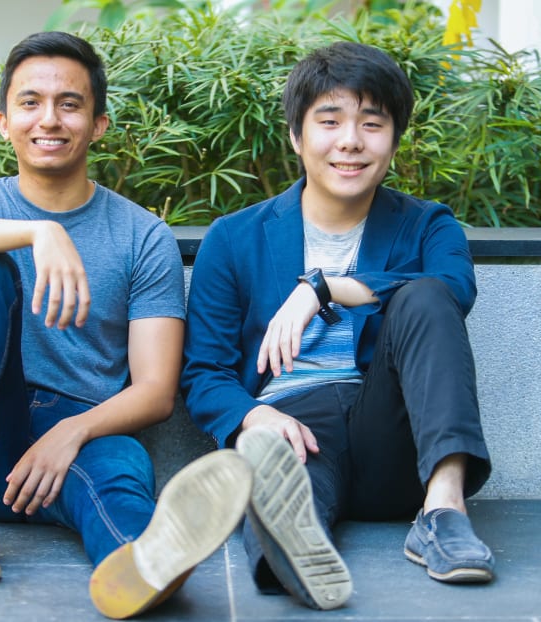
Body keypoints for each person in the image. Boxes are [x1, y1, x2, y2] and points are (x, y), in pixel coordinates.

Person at [0, 31, 252, 620]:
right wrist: (39, 231)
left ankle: (144, 562)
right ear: (4, 122)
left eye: (69, 104)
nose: (49, 119)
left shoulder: (142, 235)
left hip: (82, 438)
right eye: (30, 103)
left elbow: (154, 390)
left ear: (97, 124)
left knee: (121, 475)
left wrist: (69, 433)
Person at [181, 40, 495, 611]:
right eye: (329, 121)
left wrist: (323, 288)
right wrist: (255, 414)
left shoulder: (429, 226)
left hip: (390, 432)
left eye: (371, 124)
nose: (350, 141)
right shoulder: (234, 238)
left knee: (425, 294)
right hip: (294, 423)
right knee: (283, 477)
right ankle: (293, 549)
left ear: (394, 141)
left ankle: (444, 512)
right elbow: (204, 372)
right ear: (298, 137)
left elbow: (454, 292)